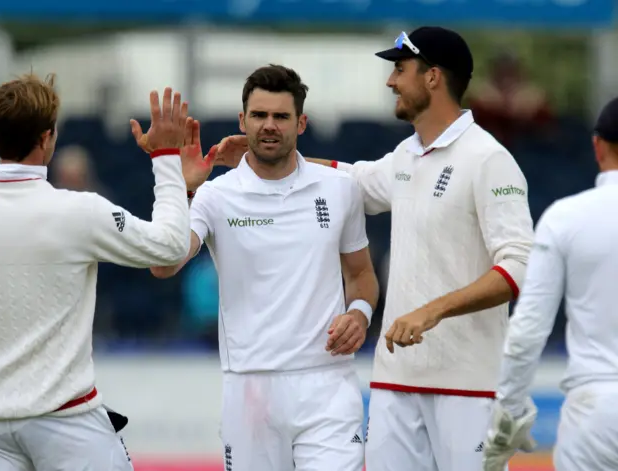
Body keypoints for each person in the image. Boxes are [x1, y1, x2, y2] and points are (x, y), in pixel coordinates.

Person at [214, 27, 535, 471]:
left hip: (468, 385)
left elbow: (519, 267)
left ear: (432, 78)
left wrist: (432, 310)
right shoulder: (406, 155)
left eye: (399, 69)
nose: (390, 81)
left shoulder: (488, 159)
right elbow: (349, 179)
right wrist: (259, 156)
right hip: (393, 385)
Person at [141, 64, 379, 471]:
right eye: (259, 115)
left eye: (281, 117)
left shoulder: (340, 189)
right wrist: (183, 189)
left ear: (301, 123)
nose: (270, 126)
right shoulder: (215, 196)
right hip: (250, 389)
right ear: (242, 120)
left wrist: (360, 313)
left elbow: (361, 276)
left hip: (327, 385)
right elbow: (163, 266)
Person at [0, 74, 193, 470]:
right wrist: (166, 156)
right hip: (67, 422)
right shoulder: (80, 211)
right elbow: (172, 245)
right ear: (47, 138)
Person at [483, 96, 618, 471]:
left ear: (597, 146)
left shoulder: (566, 218)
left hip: (595, 413)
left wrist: (507, 414)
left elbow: (528, 329)